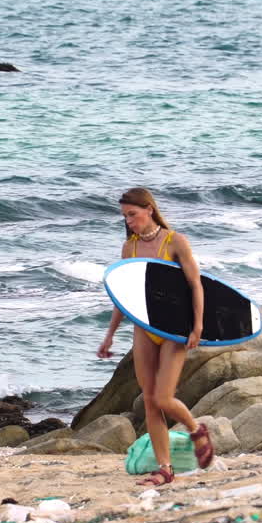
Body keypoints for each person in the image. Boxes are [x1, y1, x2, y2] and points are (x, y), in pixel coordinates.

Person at [97, 187, 214, 486]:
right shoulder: (130, 248)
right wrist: (110, 335)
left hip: (173, 329)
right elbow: (122, 297)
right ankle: (165, 468)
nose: (129, 221)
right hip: (144, 328)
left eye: (132, 214)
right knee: (150, 401)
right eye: (125, 217)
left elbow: (196, 285)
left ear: (149, 209)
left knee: (163, 397)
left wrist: (197, 326)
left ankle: (196, 430)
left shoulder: (175, 242)